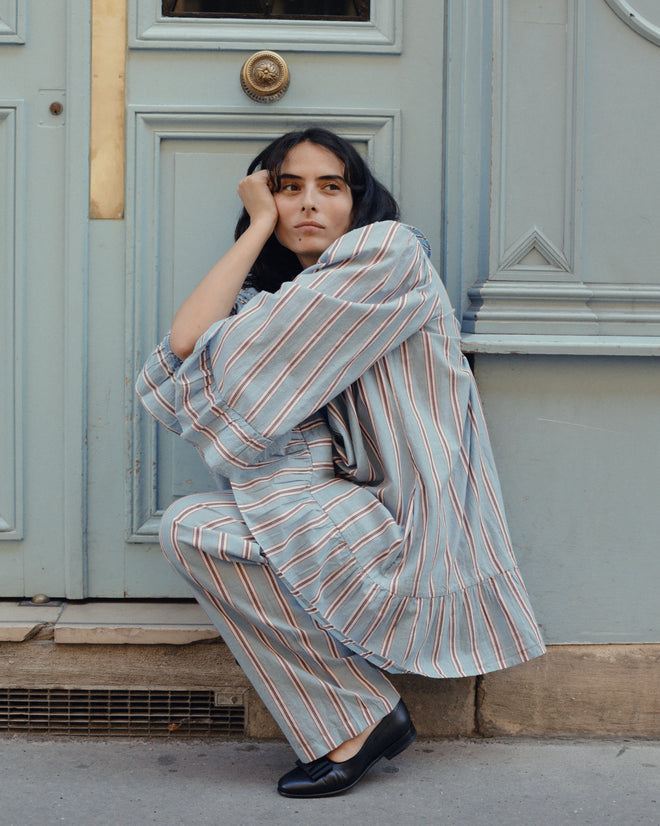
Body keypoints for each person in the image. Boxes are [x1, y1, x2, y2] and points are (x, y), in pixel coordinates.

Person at [136, 128, 545, 798]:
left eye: (330, 187)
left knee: (202, 521)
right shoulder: (267, 308)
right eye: (286, 189)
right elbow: (187, 347)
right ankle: (360, 715)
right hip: (337, 511)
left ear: (358, 201)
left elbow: (200, 352)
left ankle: (357, 721)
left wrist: (262, 222)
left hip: (406, 526)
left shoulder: (387, 254)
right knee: (190, 526)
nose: (308, 204)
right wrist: (256, 228)